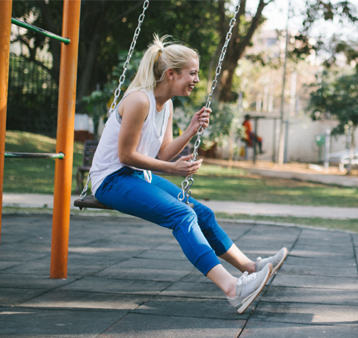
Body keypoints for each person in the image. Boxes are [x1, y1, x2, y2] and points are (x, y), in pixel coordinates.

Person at [89, 34, 288, 314]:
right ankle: (233, 288)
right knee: (182, 215)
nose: (196, 79)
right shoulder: (138, 101)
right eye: (192, 73)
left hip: (135, 177)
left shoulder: (166, 105)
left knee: (202, 212)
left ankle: (251, 267)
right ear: (171, 74)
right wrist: (172, 170)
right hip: (112, 180)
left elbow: (163, 153)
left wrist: (191, 129)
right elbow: (126, 156)